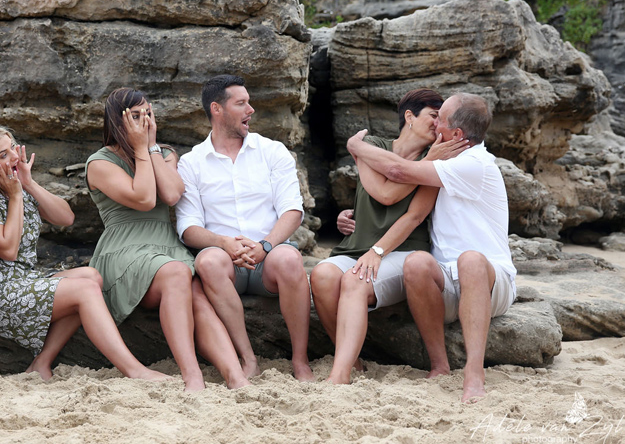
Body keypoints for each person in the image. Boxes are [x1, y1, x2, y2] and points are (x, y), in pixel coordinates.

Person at [0, 123, 168, 382]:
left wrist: (29, 184)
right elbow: (8, 250)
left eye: (12, 147)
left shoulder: (16, 185)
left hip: (24, 279)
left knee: (91, 276)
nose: (14, 156)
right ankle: (134, 370)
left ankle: (41, 362)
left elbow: (66, 218)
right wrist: (16, 197)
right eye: (3, 155)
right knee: (84, 289)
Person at [346, 92, 516, 403]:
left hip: (492, 282)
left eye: (441, 120)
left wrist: (356, 146)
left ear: (457, 134)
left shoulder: (474, 164)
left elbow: (397, 172)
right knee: (416, 263)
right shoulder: (445, 162)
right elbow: (396, 199)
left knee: (470, 260)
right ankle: (439, 365)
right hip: (448, 282)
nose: (435, 124)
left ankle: (474, 373)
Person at [86, 88, 250, 391]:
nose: (145, 121)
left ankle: (236, 377)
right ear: (117, 121)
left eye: (148, 113)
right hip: (125, 250)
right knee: (176, 272)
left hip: (166, 247)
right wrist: (140, 148)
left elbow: (172, 195)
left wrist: (150, 149)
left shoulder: (164, 154)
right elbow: (144, 198)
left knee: (196, 294)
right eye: (136, 116)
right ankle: (193, 376)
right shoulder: (100, 163)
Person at [311, 89, 457, 384]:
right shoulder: (373, 146)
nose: (438, 124)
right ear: (409, 116)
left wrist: (377, 251)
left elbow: (414, 215)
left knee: (355, 280)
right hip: (356, 248)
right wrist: (357, 146)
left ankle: (338, 376)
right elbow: (382, 193)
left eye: (441, 119)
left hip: (402, 250)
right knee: (321, 275)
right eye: (433, 115)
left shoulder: (436, 161)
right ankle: (353, 363)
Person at [175, 74, 315, 381]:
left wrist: (265, 245)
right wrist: (224, 243)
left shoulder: (272, 151)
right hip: (227, 261)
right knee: (207, 261)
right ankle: (247, 358)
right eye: (241, 103)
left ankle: (300, 360)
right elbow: (188, 227)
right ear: (217, 109)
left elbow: (293, 210)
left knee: (290, 258)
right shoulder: (191, 162)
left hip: (269, 257)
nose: (250, 110)